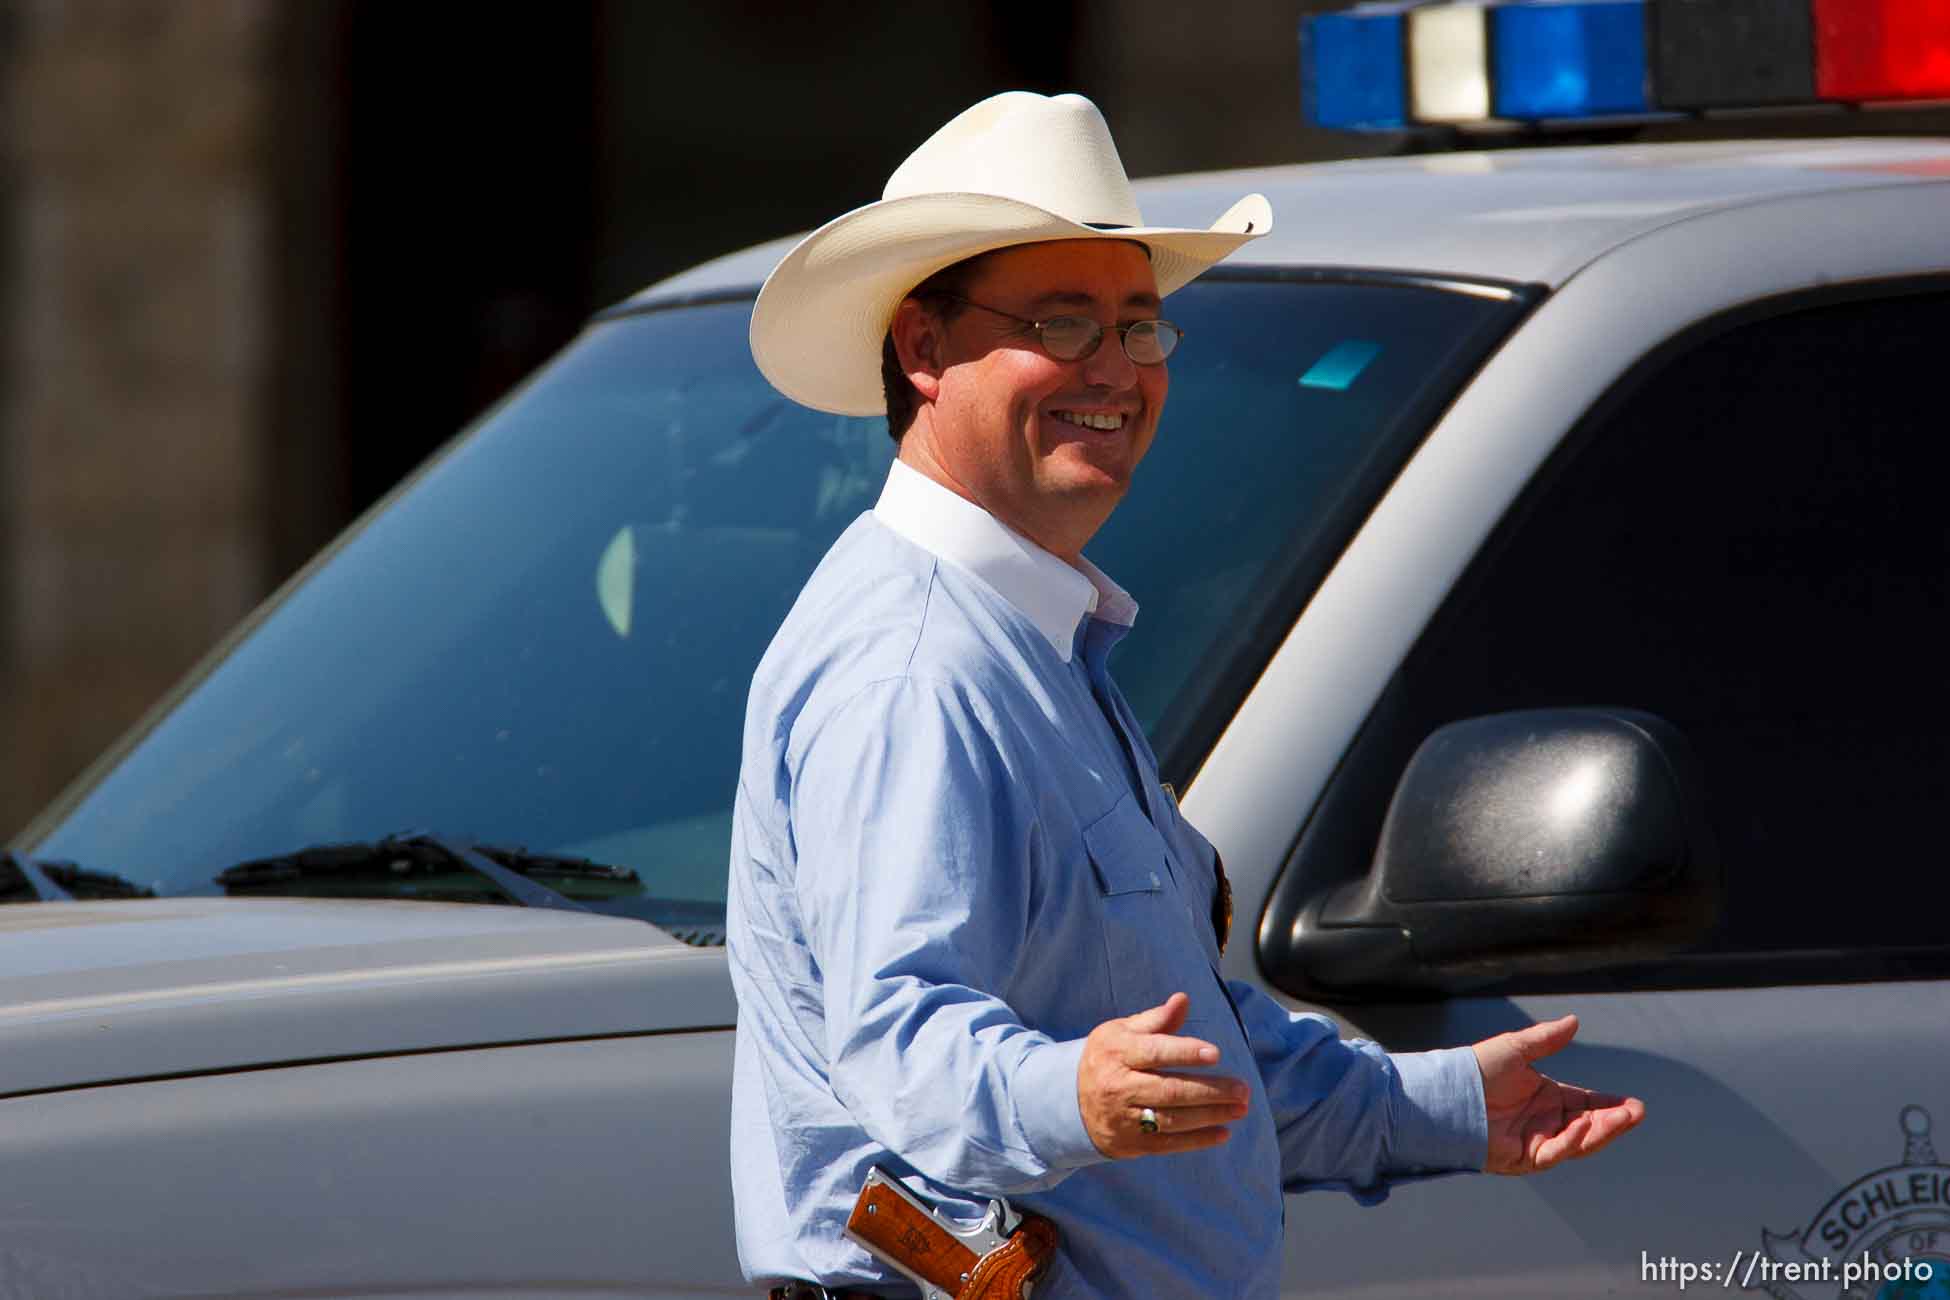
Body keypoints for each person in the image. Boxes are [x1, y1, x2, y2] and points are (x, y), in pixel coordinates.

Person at [726, 91, 1644, 1299]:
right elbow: (901, 1042)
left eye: (1139, 326)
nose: (1114, 370)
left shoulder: (1017, 641)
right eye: (1061, 321)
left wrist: (1445, 1104)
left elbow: (1182, 1063)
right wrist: (1076, 1095)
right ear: (921, 349)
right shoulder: (920, 668)